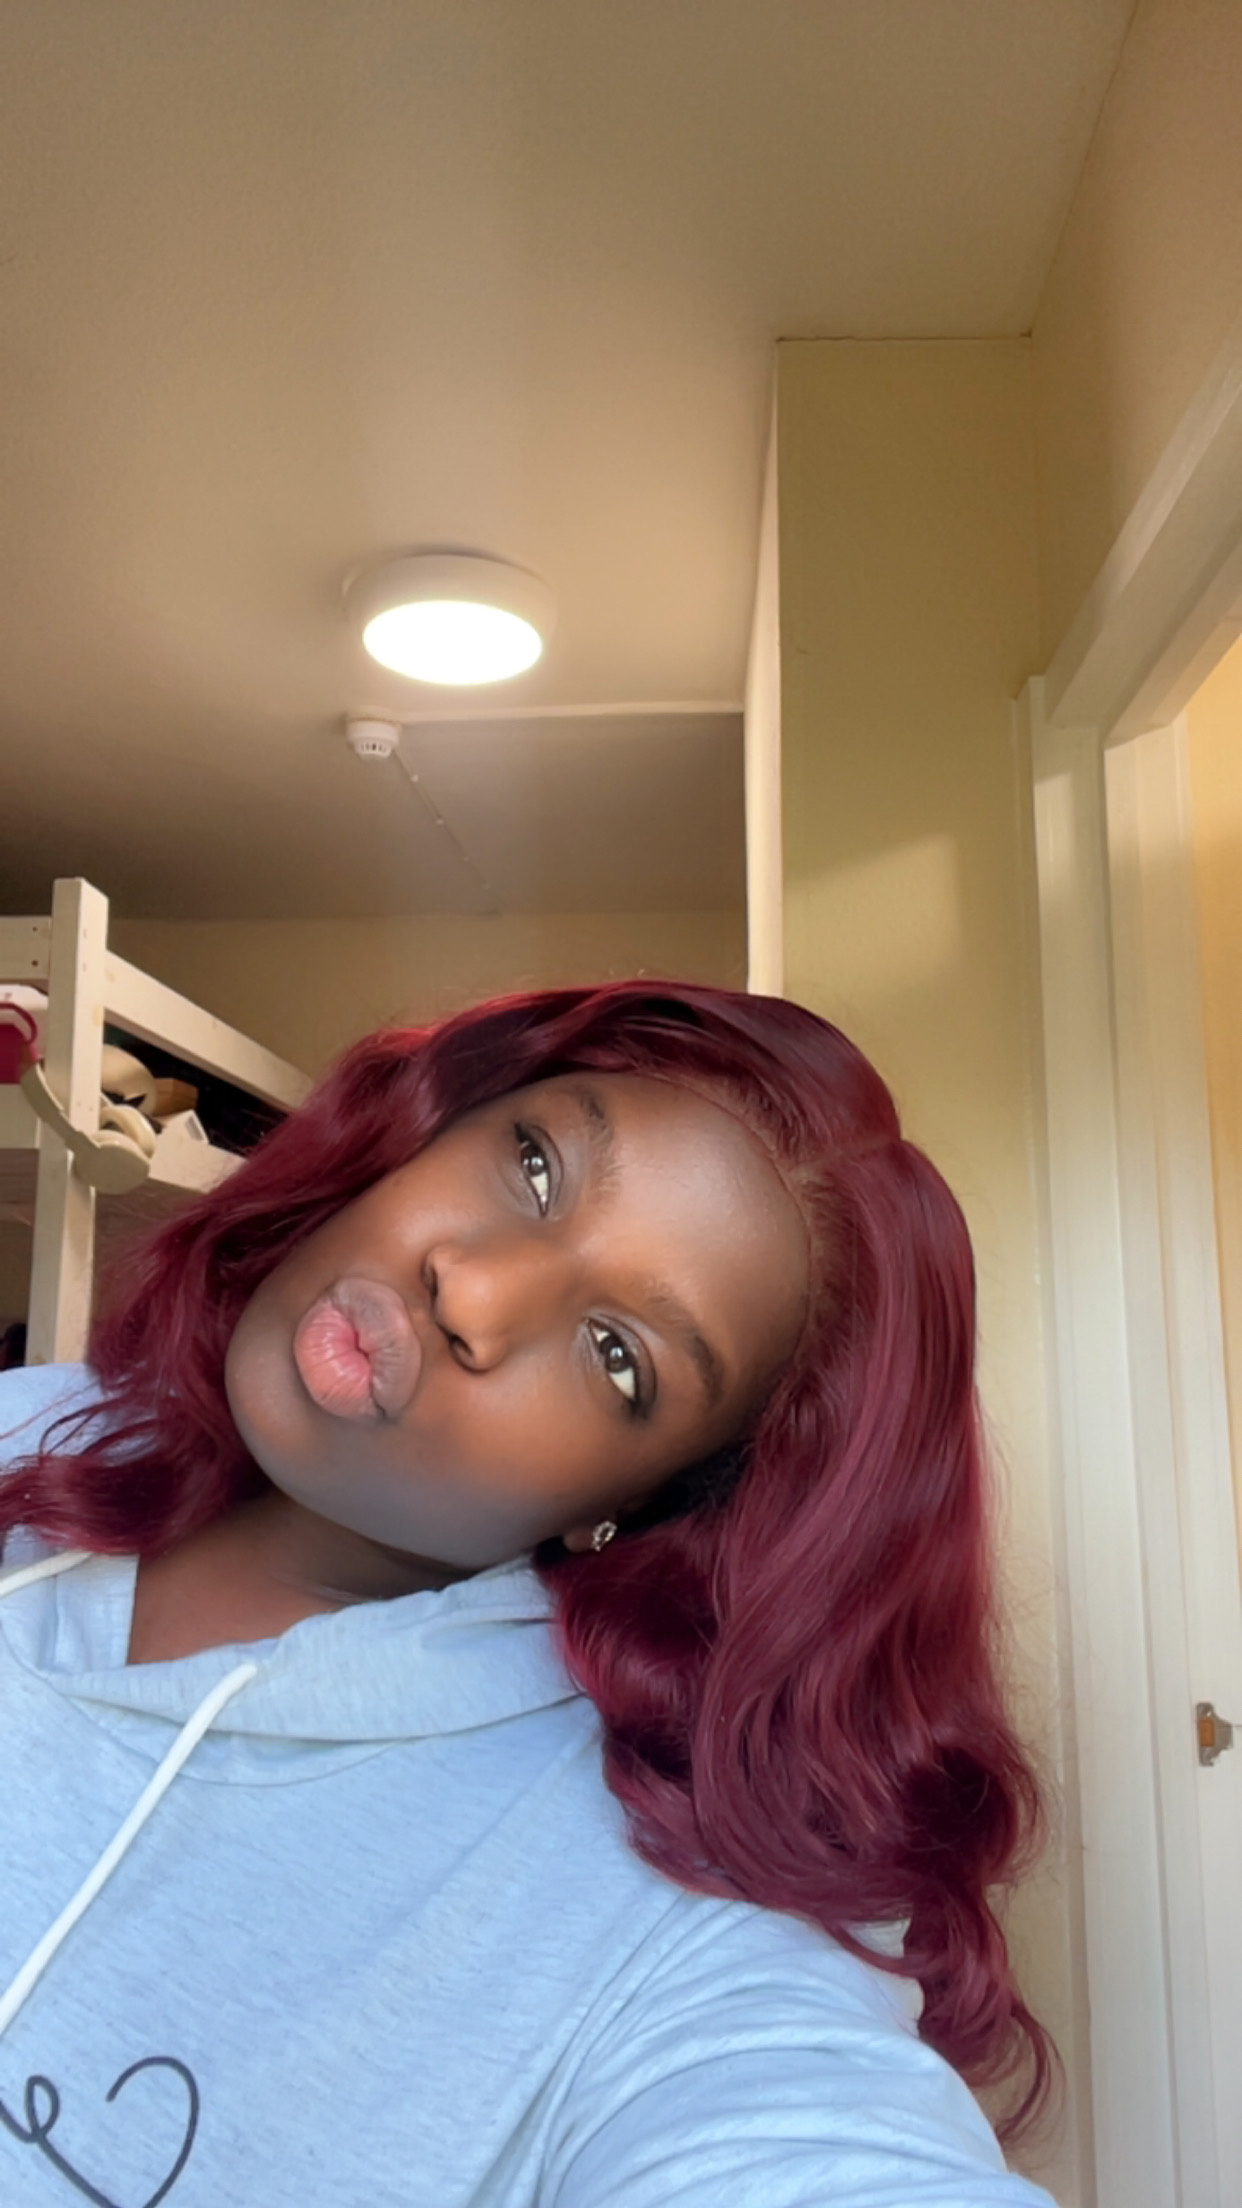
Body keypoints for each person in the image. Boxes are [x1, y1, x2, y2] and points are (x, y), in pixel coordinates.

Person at [0, 981, 1060, 2208]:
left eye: (618, 1358)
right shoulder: (43, 1425)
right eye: (537, 1167)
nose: (472, 1289)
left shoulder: (659, 1935)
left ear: (638, 1505)